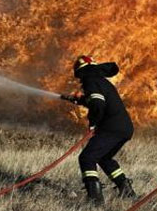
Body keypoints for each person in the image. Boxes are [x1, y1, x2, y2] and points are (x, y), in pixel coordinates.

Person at [62, 55, 137, 205]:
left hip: (111, 128)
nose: (80, 79)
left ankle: (95, 200)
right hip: (124, 128)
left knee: (87, 158)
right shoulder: (100, 81)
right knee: (104, 158)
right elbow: (96, 100)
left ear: (81, 71)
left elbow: (97, 103)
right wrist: (79, 100)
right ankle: (126, 191)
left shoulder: (91, 80)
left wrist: (93, 123)